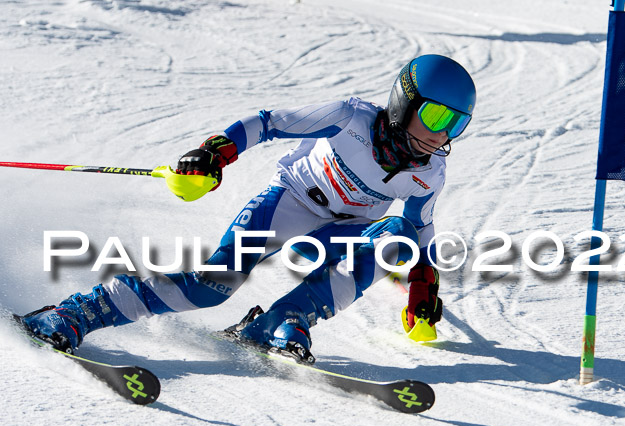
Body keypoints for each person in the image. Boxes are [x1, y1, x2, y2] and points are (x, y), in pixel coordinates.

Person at [19, 54, 476, 363]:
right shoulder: (349, 118)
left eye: (456, 123)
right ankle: (76, 313)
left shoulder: (429, 174)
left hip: (343, 231)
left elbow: (419, 233)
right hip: (289, 204)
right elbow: (267, 123)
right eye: (436, 117)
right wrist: (214, 152)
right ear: (405, 103)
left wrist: (423, 284)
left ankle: (284, 319)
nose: (443, 135)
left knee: (396, 238)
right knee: (211, 287)